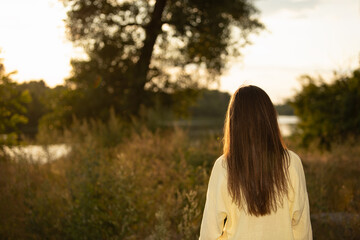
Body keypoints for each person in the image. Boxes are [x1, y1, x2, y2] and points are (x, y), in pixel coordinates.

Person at [199, 85, 312, 240]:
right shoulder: (291, 162)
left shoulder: (224, 166)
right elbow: (302, 225)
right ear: (270, 118)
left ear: (234, 120)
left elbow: (209, 232)